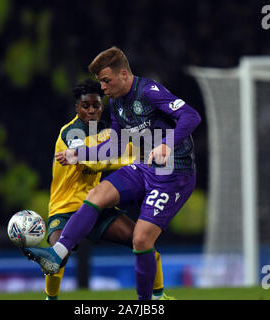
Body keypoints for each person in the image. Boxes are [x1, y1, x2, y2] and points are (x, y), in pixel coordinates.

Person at [24, 47, 201, 300]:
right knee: (98, 193)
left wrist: (167, 144)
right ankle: (57, 254)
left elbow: (191, 116)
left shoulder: (149, 91)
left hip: (173, 174)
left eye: (106, 81)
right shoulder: (117, 103)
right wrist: (80, 154)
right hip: (146, 167)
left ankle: (147, 303)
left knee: (141, 240)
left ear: (124, 74)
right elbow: (116, 145)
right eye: (100, 82)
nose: (103, 88)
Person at [40, 78, 171, 300]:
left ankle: (160, 297)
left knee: (143, 241)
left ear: (102, 106)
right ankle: (50, 299)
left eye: (96, 105)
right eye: (86, 106)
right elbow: (94, 161)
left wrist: (155, 146)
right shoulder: (72, 133)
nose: (91, 111)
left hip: (96, 205)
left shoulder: (108, 131)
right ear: (77, 108)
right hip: (66, 208)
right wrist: (132, 157)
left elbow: (127, 145)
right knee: (57, 257)